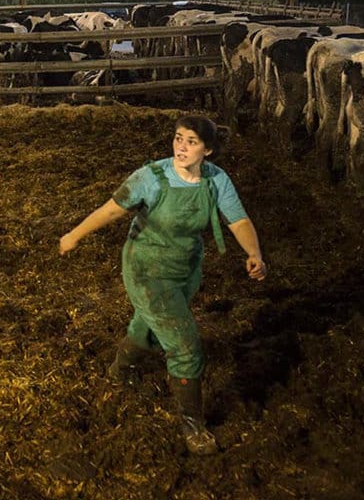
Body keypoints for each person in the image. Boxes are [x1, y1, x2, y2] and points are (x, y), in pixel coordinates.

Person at [59, 114, 266, 456]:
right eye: (178, 138)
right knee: (186, 346)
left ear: (208, 151)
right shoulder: (151, 177)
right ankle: (193, 426)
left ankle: (120, 371)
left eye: (191, 142)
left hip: (185, 269)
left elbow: (238, 219)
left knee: (149, 327)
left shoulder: (216, 181)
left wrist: (254, 252)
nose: (181, 148)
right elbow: (111, 211)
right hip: (145, 269)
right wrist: (74, 235)